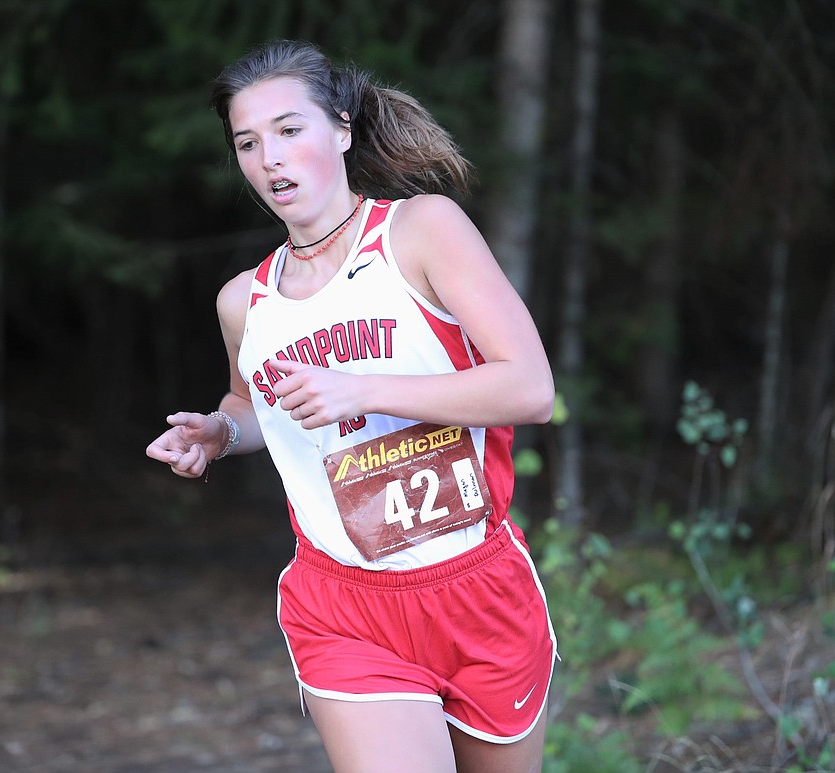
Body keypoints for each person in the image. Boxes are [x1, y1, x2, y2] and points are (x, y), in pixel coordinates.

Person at [146, 39, 557, 773]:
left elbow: (530, 389)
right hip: (344, 605)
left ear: (340, 129)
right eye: (248, 142)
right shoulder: (246, 300)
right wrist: (220, 431)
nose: (269, 159)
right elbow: (251, 405)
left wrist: (366, 388)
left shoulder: (420, 230)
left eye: (289, 130)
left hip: (477, 588)